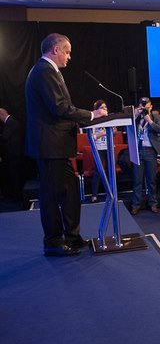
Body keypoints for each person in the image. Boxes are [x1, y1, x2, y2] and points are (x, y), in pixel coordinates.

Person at [25, 33, 107, 256]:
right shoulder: (44, 71)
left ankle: (72, 236)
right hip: (50, 145)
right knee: (51, 195)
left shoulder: (50, 71)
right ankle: (52, 242)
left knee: (70, 190)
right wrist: (91, 114)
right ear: (56, 50)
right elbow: (59, 108)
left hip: (58, 145)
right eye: (68, 52)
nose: (69, 57)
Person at [130, 97, 160, 215]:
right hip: (138, 150)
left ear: (151, 106)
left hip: (150, 151)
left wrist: (149, 120)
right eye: (142, 105)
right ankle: (135, 204)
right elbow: (127, 128)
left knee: (151, 180)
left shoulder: (155, 118)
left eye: (147, 105)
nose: (145, 107)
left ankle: (153, 203)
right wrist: (134, 116)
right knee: (137, 179)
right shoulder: (135, 118)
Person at [89, 100, 112, 203]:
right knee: (98, 172)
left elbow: (113, 133)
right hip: (99, 148)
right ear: (96, 110)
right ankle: (94, 195)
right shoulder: (94, 121)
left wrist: (114, 132)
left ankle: (111, 193)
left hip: (109, 147)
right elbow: (92, 137)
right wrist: (102, 133)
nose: (105, 109)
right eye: (102, 108)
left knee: (110, 170)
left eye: (105, 107)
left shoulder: (110, 119)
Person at [0, 107, 25, 201]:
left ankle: (17, 196)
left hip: (14, 154)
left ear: (2, 114)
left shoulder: (11, 121)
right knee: (15, 174)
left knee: (16, 175)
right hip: (14, 154)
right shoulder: (11, 121)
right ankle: (16, 195)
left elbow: (5, 137)